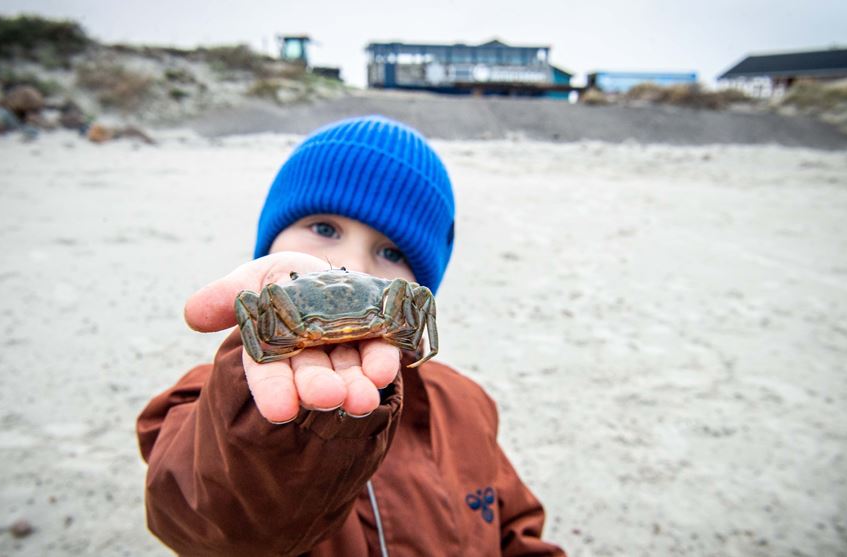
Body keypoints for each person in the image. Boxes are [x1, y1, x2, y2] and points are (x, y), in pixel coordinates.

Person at [137, 115, 565, 556]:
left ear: (418, 292)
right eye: (324, 229)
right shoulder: (208, 398)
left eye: (391, 251)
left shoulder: (466, 406)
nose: (350, 263)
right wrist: (258, 388)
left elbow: (515, 529)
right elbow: (207, 521)